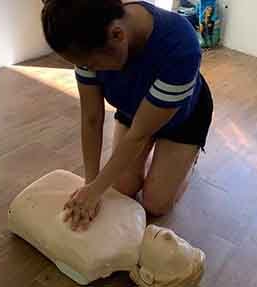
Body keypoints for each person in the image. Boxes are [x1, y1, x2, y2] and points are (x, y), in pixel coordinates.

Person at [41, 0, 213, 231]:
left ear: (118, 35)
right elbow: (92, 119)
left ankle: (188, 162)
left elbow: (139, 135)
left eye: (92, 64)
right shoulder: (84, 42)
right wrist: (90, 184)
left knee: (156, 202)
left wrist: (96, 190)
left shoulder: (181, 46)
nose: (88, 69)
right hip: (132, 108)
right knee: (123, 187)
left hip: (184, 118)